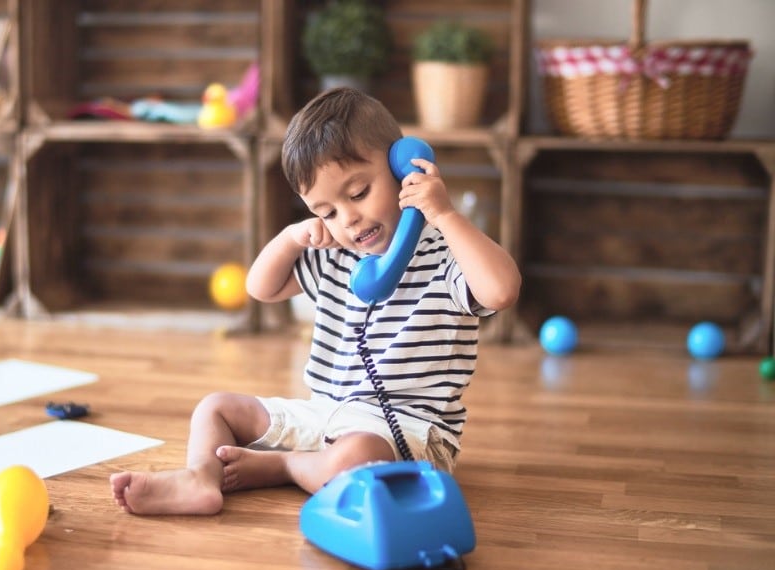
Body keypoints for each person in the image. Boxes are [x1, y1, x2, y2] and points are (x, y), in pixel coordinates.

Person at [110, 87, 520, 515]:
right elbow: (260, 287)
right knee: (215, 408)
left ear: (405, 167)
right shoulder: (336, 256)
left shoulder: (447, 253)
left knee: (355, 459)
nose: (348, 219)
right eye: (326, 211)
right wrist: (291, 238)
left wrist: (446, 216)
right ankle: (199, 477)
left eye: (359, 192)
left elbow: (501, 290)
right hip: (323, 413)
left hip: (403, 434)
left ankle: (285, 466)